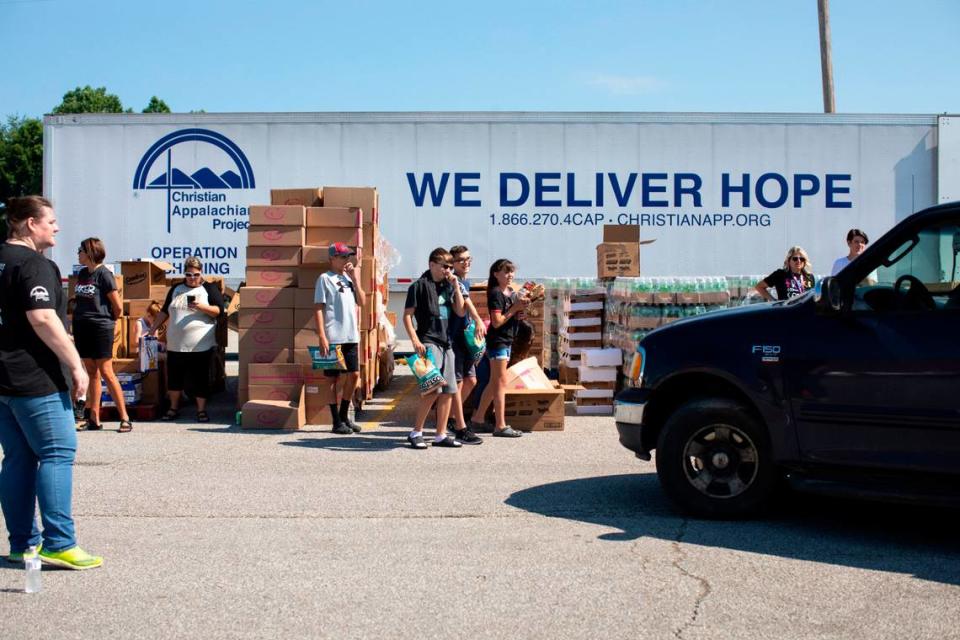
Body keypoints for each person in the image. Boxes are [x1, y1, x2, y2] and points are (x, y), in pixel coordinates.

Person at [0, 195, 102, 569]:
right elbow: (43, 317)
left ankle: (22, 544)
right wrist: (76, 365)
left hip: (4, 381)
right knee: (57, 454)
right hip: (35, 378)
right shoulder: (34, 264)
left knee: (18, 459)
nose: (56, 227)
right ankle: (59, 542)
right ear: (30, 224)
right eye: (51, 221)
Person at [403, 248, 466, 449]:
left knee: (448, 390)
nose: (448, 270)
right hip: (428, 341)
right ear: (432, 265)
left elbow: (460, 310)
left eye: (450, 266)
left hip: (447, 342)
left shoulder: (448, 286)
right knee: (432, 390)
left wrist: (456, 286)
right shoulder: (419, 287)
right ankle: (416, 432)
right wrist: (415, 340)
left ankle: (440, 434)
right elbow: (407, 315)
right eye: (444, 266)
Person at [148, 256, 224, 423]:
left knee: (200, 378)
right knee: (175, 378)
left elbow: (219, 311)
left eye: (195, 275)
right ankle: (174, 408)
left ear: (201, 273)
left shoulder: (209, 289)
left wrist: (200, 306)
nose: (192, 278)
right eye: (188, 275)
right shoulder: (176, 289)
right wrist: (153, 328)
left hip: (200, 345)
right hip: (176, 344)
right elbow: (165, 311)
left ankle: (201, 410)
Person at [73, 237, 132, 432]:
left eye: (80, 250)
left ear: (89, 252)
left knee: (106, 371)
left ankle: (124, 417)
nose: (78, 254)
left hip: (101, 327)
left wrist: (107, 322)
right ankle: (94, 417)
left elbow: (117, 307)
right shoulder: (82, 273)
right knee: (91, 372)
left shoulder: (104, 275)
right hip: (82, 328)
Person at [469, 259, 528, 438]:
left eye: (511, 271)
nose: (510, 275)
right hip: (498, 342)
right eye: (505, 271)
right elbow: (496, 322)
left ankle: (478, 419)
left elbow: (509, 317)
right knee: (500, 384)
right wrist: (514, 309)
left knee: (494, 382)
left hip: (507, 340)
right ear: (496, 274)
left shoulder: (510, 292)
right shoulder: (495, 293)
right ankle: (500, 425)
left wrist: (519, 313)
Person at [313, 242, 366, 435]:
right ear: (332, 258)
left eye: (348, 257)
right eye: (343, 257)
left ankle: (344, 416)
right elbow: (318, 308)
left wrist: (355, 279)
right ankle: (336, 421)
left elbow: (362, 301)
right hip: (333, 335)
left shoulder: (348, 278)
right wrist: (322, 336)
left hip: (351, 335)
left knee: (354, 375)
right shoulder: (324, 279)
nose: (347, 260)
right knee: (332, 380)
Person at [445, 245, 483, 445]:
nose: (466, 263)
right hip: (454, 339)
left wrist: (476, 321)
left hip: (466, 338)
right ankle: (460, 426)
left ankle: (451, 418)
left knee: (471, 381)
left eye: (469, 259)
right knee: (458, 382)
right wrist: (477, 319)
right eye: (461, 260)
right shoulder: (453, 282)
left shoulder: (464, 281)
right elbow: (462, 307)